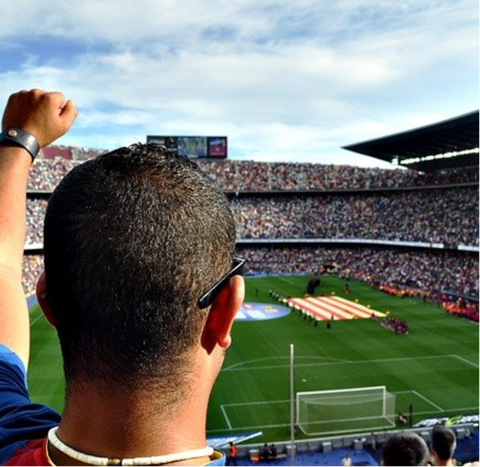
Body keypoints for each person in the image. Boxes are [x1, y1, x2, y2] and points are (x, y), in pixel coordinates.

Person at [0, 90, 245, 466]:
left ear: (47, 302)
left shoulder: (9, 432)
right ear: (225, 311)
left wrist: (19, 141)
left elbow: (2, 267)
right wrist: (19, 141)